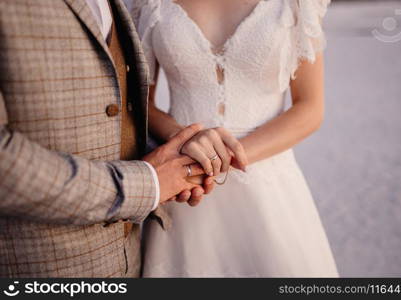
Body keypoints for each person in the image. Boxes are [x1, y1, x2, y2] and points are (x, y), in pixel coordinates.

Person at [0, 0, 224, 277]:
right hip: (36, 266)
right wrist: (149, 182)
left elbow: (111, 113)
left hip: (129, 255)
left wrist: (173, 163)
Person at [129, 0, 340, 277]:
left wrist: (213, 162)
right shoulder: (149, 3)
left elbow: (310, 109)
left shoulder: (299, 4)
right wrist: (182, 140)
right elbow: (142, 103)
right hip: (183, 188)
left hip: (266, 189)